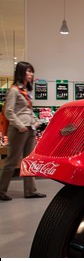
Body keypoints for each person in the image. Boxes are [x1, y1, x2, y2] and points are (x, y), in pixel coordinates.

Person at [0, 61, 46, 201]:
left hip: (30, 130)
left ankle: (30, 190)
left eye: (32, 71)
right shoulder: (14, 90)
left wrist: (36, 121)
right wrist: (20, 125)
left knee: (29, 161)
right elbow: (8, 111)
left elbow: (27, 110)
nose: (31, 74)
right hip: (18, 130)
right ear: (21, 73)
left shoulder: (26, 91)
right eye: (28, 71)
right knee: (12, 161)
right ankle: (1, 190)